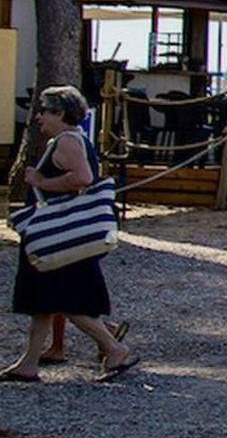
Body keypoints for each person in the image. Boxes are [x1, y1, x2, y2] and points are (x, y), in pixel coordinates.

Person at [5, 86, 140, 383]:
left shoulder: (65, 141)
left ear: (60, 113)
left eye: (44, 110)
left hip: (57, 236)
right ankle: (28, 364)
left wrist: (39, 180)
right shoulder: (70, 139)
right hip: (58, 236)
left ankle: (114, 348)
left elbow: (82, 178)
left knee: (65, 301)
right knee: (41, 302)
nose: (38, 116)